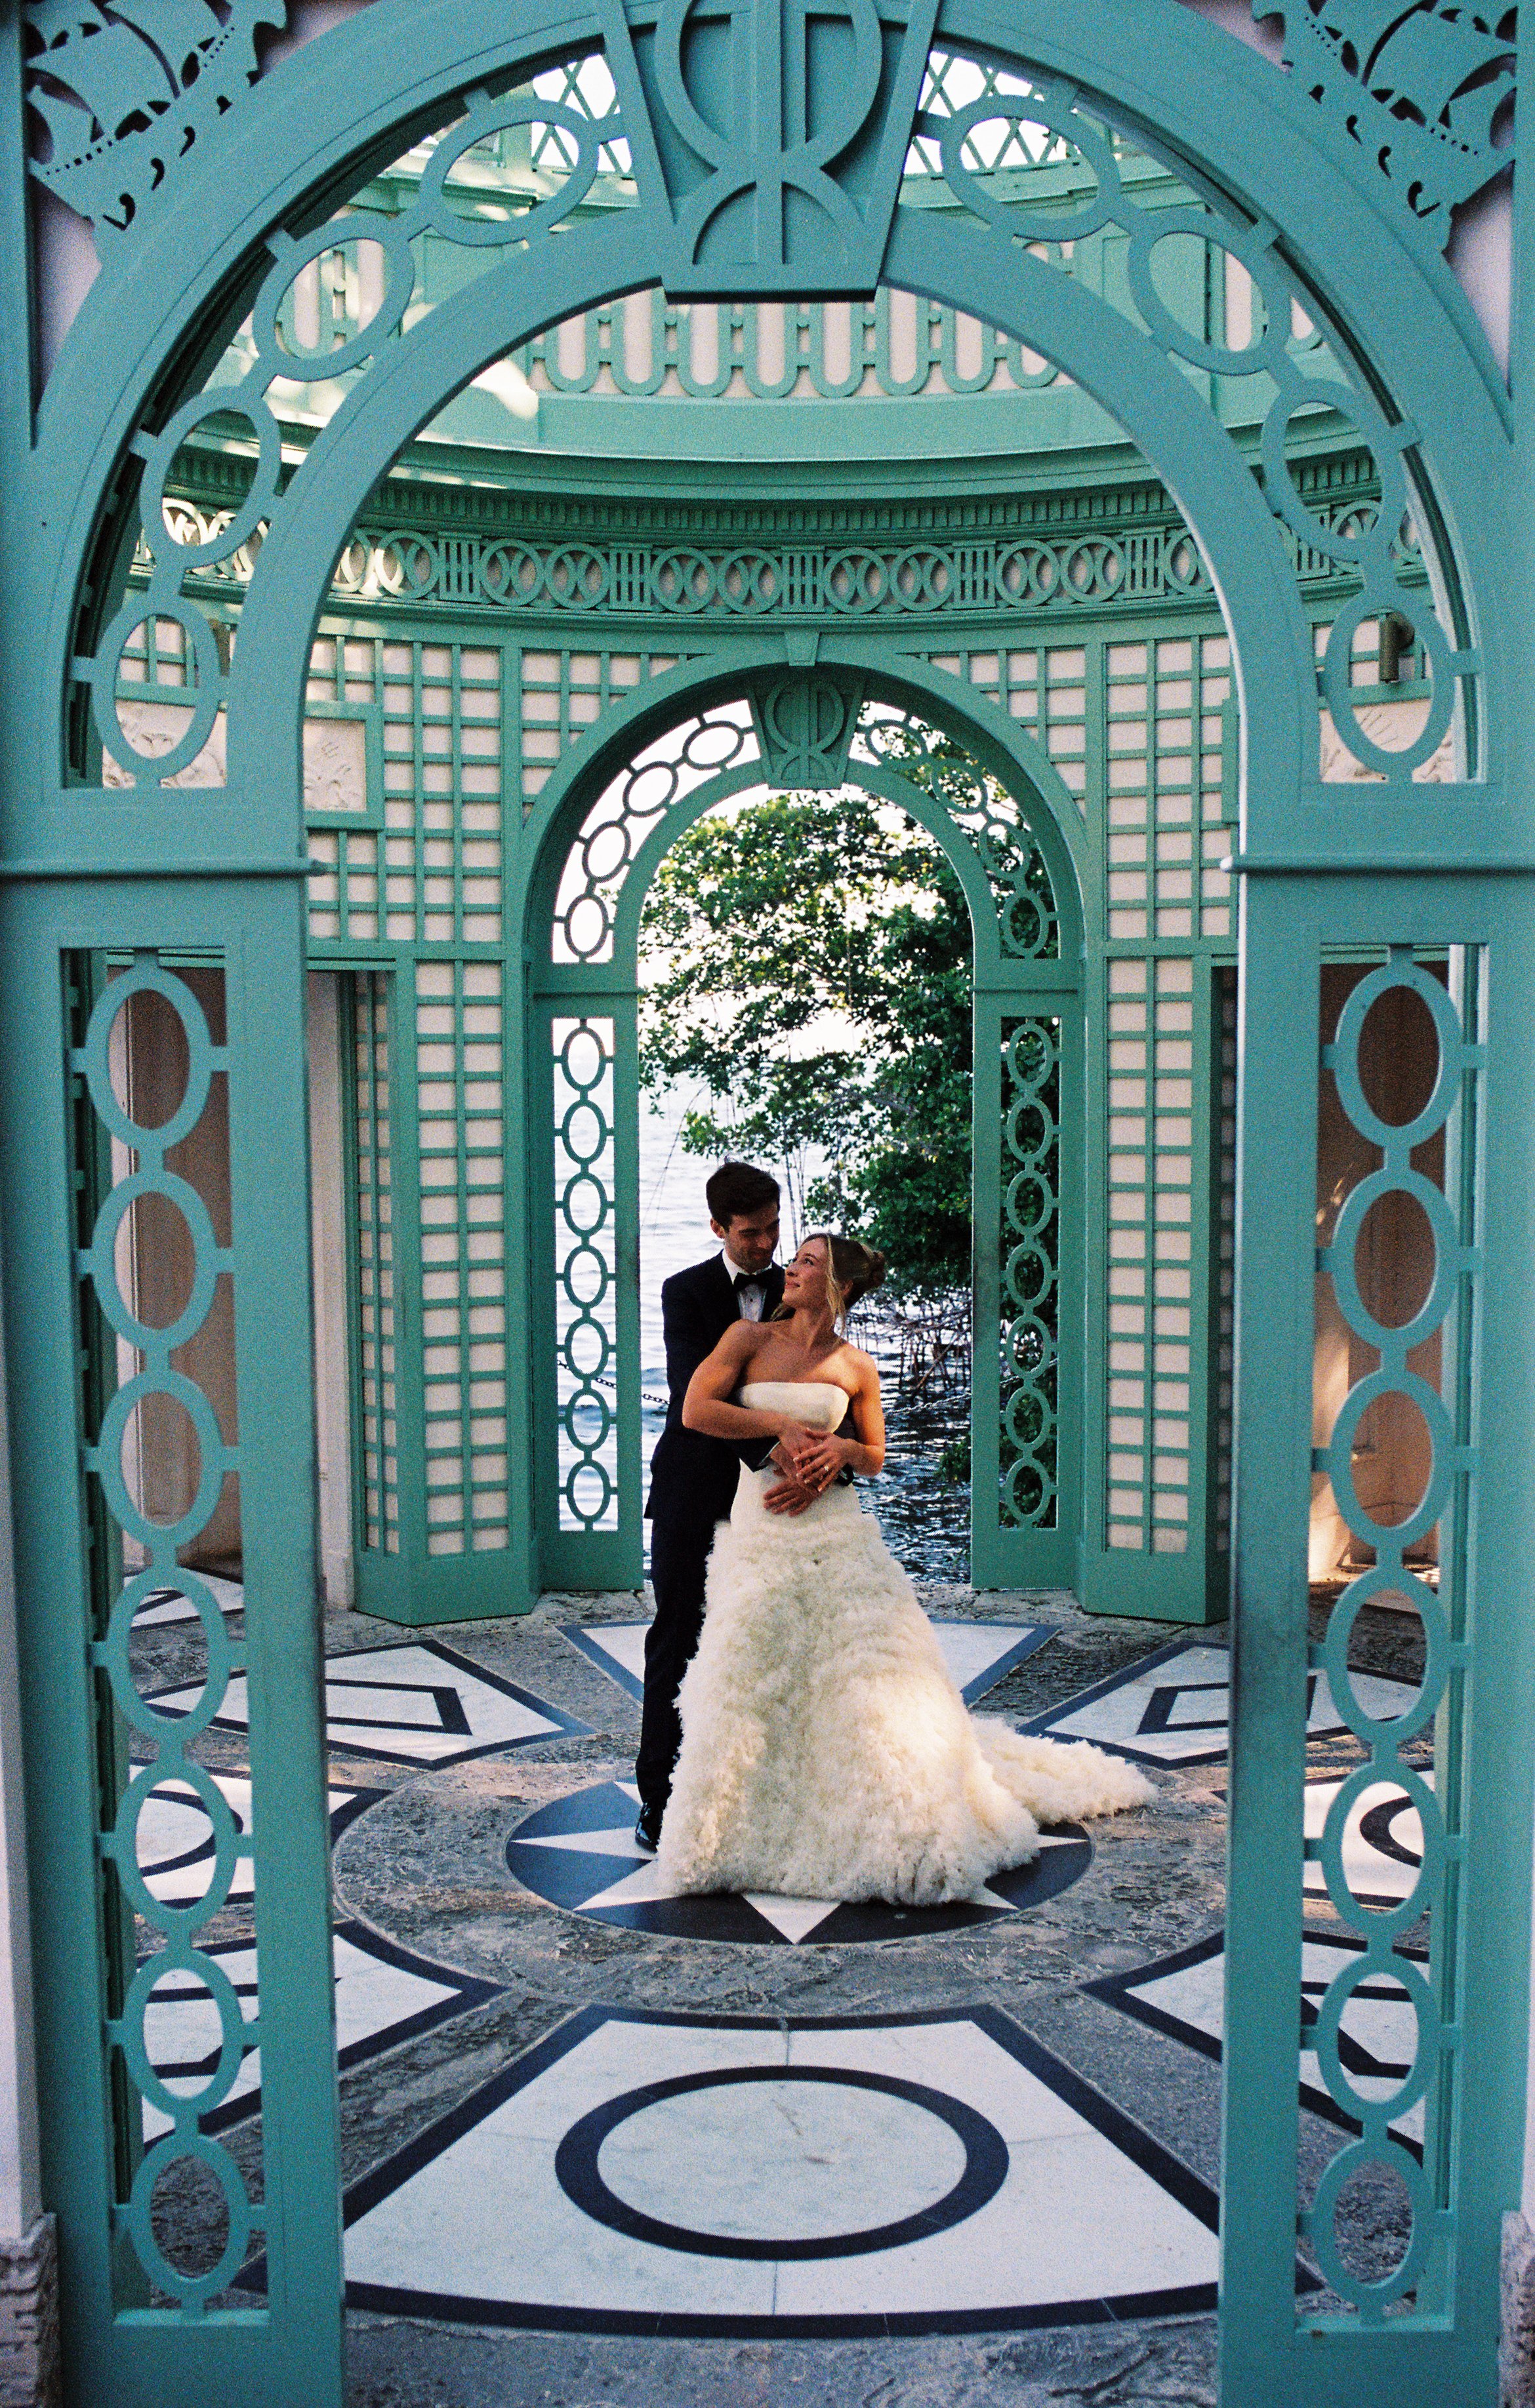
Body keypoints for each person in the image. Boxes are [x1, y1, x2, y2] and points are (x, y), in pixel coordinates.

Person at [656, 1232, 1154, 1906]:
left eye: (807, 1263)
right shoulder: (746, 1340)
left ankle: (882, 1818)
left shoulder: (857, 1365)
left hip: (834, 1532)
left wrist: (834, 1457)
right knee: (750, 1673)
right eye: (796, 1259)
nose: (792, 1270)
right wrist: (779, 1431)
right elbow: (696, 1409)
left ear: (840, 1289)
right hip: (761, 1531)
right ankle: (731, 1832)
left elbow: (877, 1456)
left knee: (865, 1675)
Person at [636, 1160, 814, 1853]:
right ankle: (660, 1795)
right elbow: (692, 1402)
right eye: (750, 1234)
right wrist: (776, 1422)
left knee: (774, 1640)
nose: (767, 1246)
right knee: (677, 1640)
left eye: (774, 1230)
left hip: (775, 1499)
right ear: (718, 1227)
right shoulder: (684, 1291)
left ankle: (766, 1791)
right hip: (692, 1493)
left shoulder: (798, 1290)